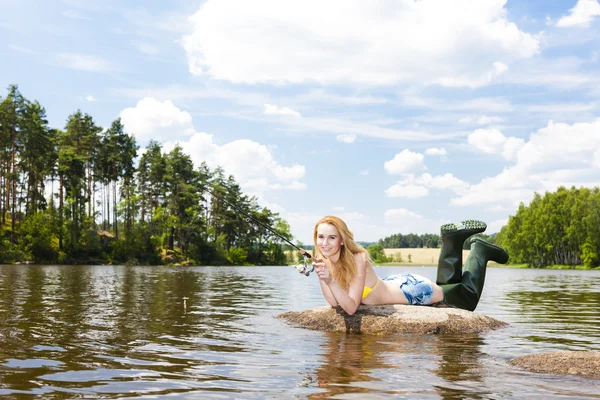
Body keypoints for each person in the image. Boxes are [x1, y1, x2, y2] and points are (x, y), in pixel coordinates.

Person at [303, 216, 508, 315]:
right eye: (320, 237)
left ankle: (479, 251)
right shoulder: (326, 261)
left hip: (411, 290)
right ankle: (452, 241)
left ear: (341, 240)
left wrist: (329, 279)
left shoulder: (358, 258)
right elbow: (334, 303)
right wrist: (323, 277)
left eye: (331, 237)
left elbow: (350, 308)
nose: (324, 243)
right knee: (447, 289)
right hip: (393, 284)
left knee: (465, 300)